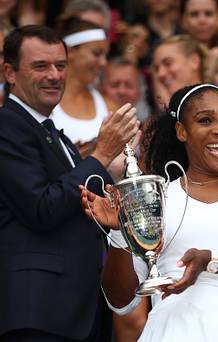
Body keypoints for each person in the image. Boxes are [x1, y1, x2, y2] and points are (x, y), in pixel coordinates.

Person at [80, 83, 218, 341]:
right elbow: (120, 301)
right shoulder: (157, 197)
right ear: (182, 131)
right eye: (205, 120)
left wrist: (211, 260)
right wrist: (121, 232)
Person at [0, 25, 139, 341]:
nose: (54, 75)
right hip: (38, 312)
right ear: (9, 72)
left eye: (60, 66)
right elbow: (41, 208)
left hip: (76, 311)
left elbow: (75, 202)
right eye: (40, 66)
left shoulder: (46, 131)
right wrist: (102, 153)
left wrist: (113, 171)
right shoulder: (7, 125)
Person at [53, 17, 116, 158]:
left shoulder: (109, 106)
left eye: (105, 55)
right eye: (96, 53)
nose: (103, 63)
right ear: (69, 51)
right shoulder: (41, 104)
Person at [101, 56, 151, 123]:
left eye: (129, 86)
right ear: (101, 89)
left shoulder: (147, 129)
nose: (122, 91)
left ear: (139, 92)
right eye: (115, 85)